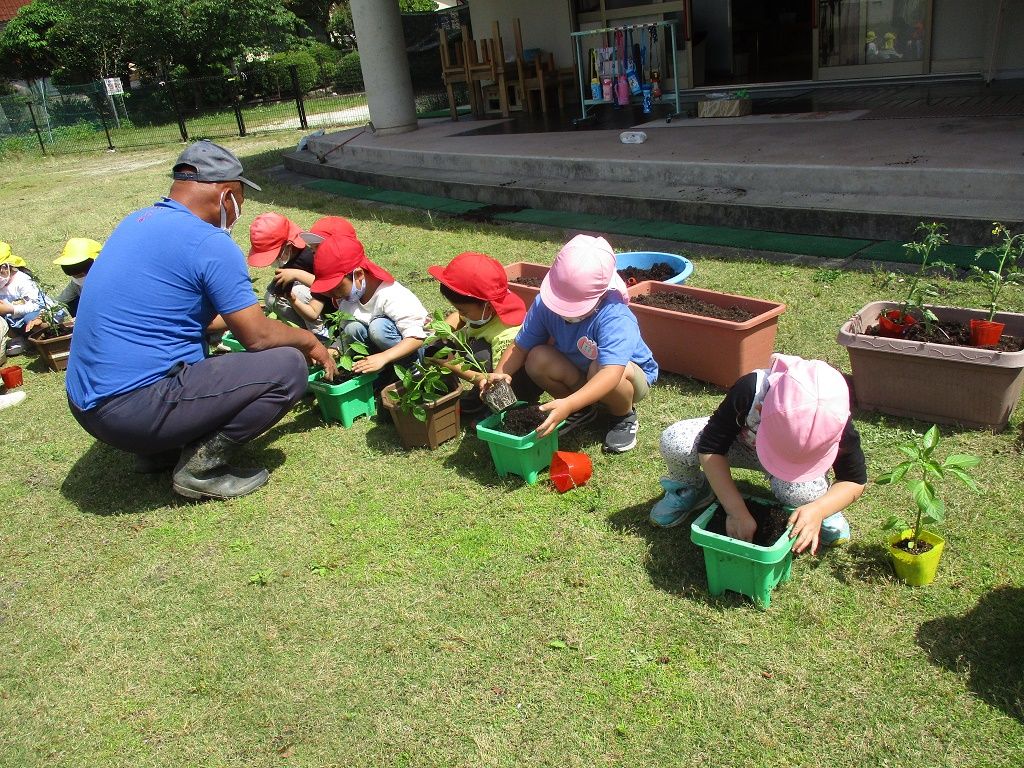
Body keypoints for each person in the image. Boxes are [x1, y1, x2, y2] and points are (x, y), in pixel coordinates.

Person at [65, 139, 337, 501]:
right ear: (227, 196)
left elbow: (176, 318)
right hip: (131, 410)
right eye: (241, 198)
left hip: (88, 405)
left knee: (197, 359)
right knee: (286, 367)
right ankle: (201, 469)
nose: (240, 208)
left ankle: (156, 450)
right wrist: (309, 342)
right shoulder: (209, 242)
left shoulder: (136, 222)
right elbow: (255, 337)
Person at [651, 354, 865, 555]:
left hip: (797, 475)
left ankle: (819, 504)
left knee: (803, 494)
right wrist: (736, 511)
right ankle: (692, 490)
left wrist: (820, 508)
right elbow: (711, 447)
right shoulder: (751, 391)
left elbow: (853, 480)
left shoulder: (836, 419)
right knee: (676, 440)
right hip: (741, 446)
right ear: (763, 411)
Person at [483, 234, 658, 454]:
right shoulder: (545, 304)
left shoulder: (615, 317)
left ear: (600, 295)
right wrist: (500, 374)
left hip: (627, 377)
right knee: (537, 357)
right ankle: (583, 408)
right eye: (560, 304)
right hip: (582, 371)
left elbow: (611, 373)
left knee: (600, 368)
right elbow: (521, 346)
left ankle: (623, 416)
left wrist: (568, 404)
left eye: (573, 307)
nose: (563, 312)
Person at [426, 251, 542, 416]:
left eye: (462, 309)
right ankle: (476, 398)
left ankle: (493, 409)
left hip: (510, 387)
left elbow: (497, 381)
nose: (460, 313)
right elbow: (458, 317)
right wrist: (442, 333)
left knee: (480, 353)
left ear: (487, 306)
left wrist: (451, 364)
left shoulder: (506, 334)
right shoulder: (486, 306)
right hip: (491, 374)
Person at [309, 233, 429, 387]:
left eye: (338, 287)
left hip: (416, 349)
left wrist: (384, 357)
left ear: (358, 275)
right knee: (352, 328)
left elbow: (416, 337)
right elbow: (346, 335)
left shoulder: (391, 294)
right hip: (384, 354)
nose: (334, 295)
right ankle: (385, 374)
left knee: (378, 328)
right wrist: (330, 351)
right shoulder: (347, 299)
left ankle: (413, 370)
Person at [247, 212, 329, 340]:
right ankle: (301, 331)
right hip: (306, 306)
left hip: (323, 304)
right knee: (271, 297)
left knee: (298, 291)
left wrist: (297, 275)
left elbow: (328, 285)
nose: (275, 260)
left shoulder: (310, 257)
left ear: (288, 246)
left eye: (275, 254)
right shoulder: (288, 258)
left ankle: (321, 334)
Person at [0, 243, 58, 356]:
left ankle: (46, 337)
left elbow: (34, 305)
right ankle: (24, 339)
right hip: (16, 321)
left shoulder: (22, 281)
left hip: (40, 314)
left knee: (30, 318)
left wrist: (10, 309)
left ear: (6, 267)